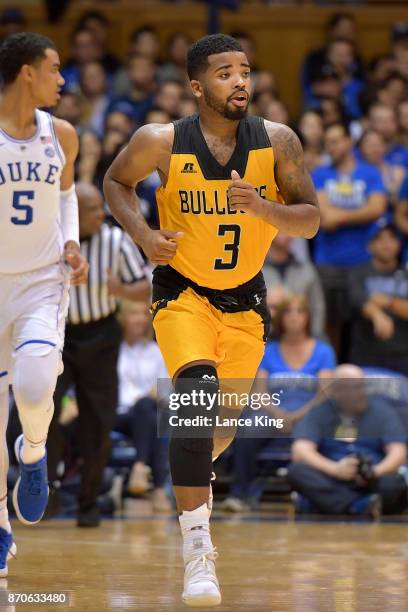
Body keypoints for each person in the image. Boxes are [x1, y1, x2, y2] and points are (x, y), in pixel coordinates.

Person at [104, 33, 319, 608]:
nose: (241, 81)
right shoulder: (160, 141)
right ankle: (199, 551)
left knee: (214, 432)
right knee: (193, 404)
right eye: (226, 73)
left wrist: (264, 208)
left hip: (246, 301)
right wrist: (145, 234)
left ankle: (193, 465)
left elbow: (310, 220)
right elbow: (115, 183)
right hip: (183, 294)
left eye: (245, 70)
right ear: (198, 87)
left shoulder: (278, 142)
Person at [0, 32, 88, 575]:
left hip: (40, 280)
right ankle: (1, 530)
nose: (63, 79)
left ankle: (33, 452)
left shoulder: (64, 135)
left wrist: (73, 242)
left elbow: (65, 195)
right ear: (27, 73)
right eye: (55, 69)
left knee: (34, 386)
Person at [46, 182, 149, 527]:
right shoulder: (51, 240)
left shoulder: (116, 242)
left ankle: (88, 504)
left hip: (101, 335)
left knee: (99, 423)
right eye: (92, 210)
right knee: (43, 414)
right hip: (59, 333)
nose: (100, 215)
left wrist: (120, 290)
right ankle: (47, 492)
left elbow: (146, 286)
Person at [223, 293, 336, 512]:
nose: (294, 317)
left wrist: (298, 415)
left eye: (300, 311)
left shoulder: (323, 351)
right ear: (281, 318)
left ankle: (318, 496)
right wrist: (278, 414)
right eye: (288, 312)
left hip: (309, 413)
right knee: (247, 428)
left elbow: (325, 394)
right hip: (272, 412)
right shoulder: (267, 350)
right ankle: (241, 493)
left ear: (309, 317)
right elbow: (259, 392)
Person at [288, 364, 407, 517]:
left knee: (393, 483)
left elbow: (398, 453)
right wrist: (335, 469)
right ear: (336, 391)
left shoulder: (382, 411)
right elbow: (300, 451)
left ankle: (324, 504)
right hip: (330, 476)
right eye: (352, 388)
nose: (360, 393)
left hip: (370, 478)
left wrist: (375, 472)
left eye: (361, 386)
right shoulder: (320, 412)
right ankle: (358, 506)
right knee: (297, 471)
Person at [312, 122, 387, 355]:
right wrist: (359, 213)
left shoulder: (369, 172)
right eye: (327, 143)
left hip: (363, 261)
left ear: (349, 142)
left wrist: (340, 216)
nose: (330, 147)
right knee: (330, 324)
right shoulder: (320, 174)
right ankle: (332, 371)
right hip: (328, 263)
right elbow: (323, 216)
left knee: (362, 322)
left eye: (335, 141)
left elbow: (377, 209)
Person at [115, 300, 171, 512]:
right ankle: (157, 489)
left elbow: (165, 388)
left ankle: (139, 467)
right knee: (150, 418)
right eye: (134, 313)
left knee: (148, 411)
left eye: (143, 314)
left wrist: (151, 396)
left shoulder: (155, 351)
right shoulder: (112, 350)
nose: (140, 318)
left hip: (147, 412)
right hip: (117, 414)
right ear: (122, 318)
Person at [348, 220, 408, 376]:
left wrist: (389, 302)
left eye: (391, 238)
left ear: (399, 244)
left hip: (403, 356)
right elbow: (357, 300)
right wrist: (376, 314)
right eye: (379, 238)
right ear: (369, 246)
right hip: (367, 356)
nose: (386, 243)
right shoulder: (358, 273)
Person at [262, 232, 326, 338]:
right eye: (280, 228)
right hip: (263, 338)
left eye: (288, 227)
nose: (286, 232)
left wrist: (314, 337)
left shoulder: (306, 269)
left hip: (302, 339)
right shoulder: (255, 270)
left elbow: (317, 307)